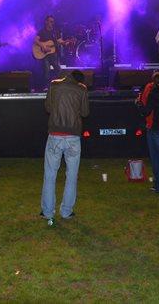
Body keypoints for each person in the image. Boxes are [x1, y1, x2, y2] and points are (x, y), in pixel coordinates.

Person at [40, 70, 90, 221]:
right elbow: (85, 113)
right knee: (72, 175)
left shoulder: (54, 85)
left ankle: (48, 211)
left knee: (50, 174)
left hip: (55, 134)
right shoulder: (81, 89)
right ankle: (66, 211)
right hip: (73, 136)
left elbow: (48, 108)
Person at [34, 15, 63, 87]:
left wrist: (65, 42)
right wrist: (42, 46)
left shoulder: (55, 32)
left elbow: (59, 41)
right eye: (50, 21)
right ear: (46, 22)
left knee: (58, 70)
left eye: (53, 22)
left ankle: (57, 86)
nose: (52, 23)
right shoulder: (42, 31)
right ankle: (46, 87)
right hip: (45, 55)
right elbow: (35, 40)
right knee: (47, 71)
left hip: (53, 55)